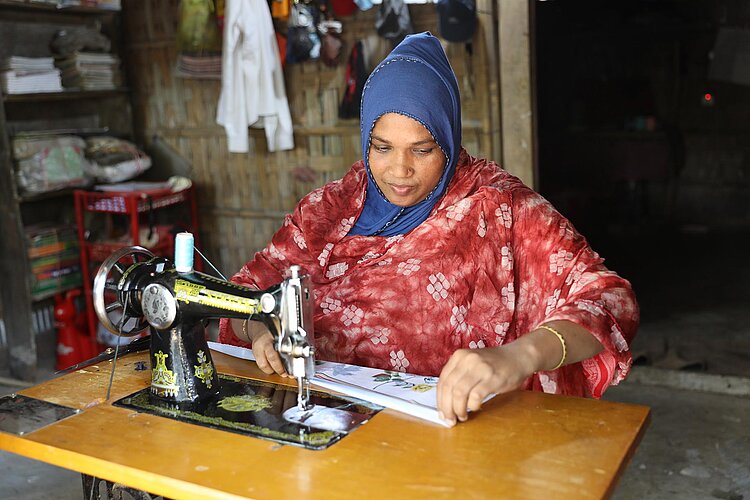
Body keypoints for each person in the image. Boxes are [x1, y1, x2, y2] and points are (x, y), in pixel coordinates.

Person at [219, 32, 638, 426]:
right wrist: (259, 327)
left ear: (449, 138)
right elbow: (242, 295)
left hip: (451, 431)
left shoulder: (500, 209)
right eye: (382, 148)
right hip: (326, 423)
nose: (400, 170)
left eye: (422, 150)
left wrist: (518, 356)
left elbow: (608, 299)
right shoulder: (325, 211)